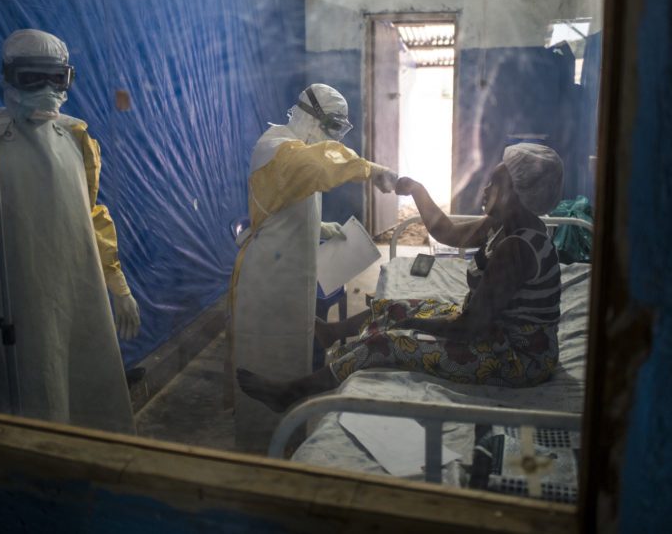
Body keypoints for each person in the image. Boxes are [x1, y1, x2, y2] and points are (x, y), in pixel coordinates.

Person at [238, 143, 565, 413]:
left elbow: (470, 327)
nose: (485, 189)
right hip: (493, 331)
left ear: (517, 194)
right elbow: (445, 230)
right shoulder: (502, 224)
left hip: (518, 358)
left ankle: (292, 393)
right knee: (396, 308)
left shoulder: (517, 248)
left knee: (387, 342)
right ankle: (332, 333)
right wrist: (416, 190)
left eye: (494, 184)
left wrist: (414, 327)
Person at [0, 29, 139, 434]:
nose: (48, 90)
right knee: (38, 398)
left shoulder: (76, 137)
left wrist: (116, 282)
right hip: (24, 301)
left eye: (58, 78)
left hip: (82, 291)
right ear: (9, 77)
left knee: (93, 396)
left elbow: (92, 215)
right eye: (33, 77)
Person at [230, 84, 398, 449]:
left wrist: (318, 227)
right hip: (268, 281)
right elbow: (318, 165)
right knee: (267, 367)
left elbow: (280, 202)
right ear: (308, 116)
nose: (332, 136)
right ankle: (258, 458)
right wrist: (371, 170)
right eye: (331, 126)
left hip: (291, 274)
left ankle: (289, 447)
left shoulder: (298, 150)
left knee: (293, 364)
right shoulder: (276, 147)